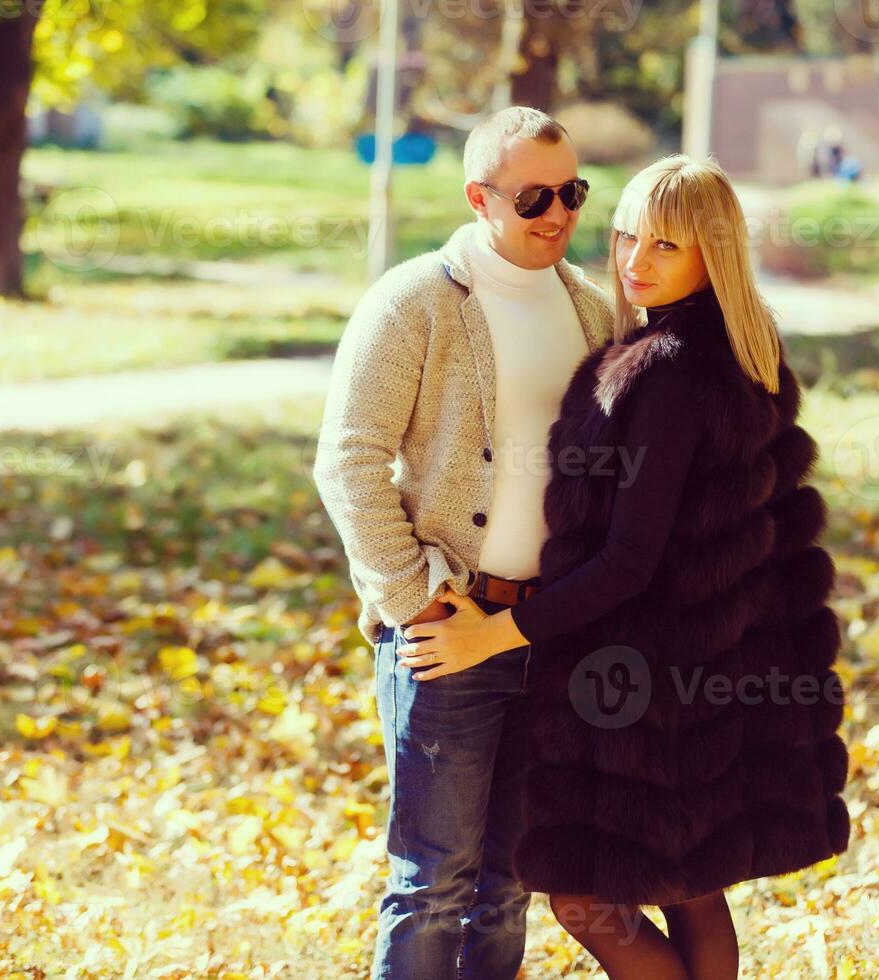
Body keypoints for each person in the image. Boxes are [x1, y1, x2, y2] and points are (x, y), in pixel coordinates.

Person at [398, 155, 851, 978]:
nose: (635, 261)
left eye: (664, 248)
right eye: (627, 236)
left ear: (711, 252)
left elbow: (628, 564)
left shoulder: (668, 374)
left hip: (642, 690)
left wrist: (492, 636)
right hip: (706, 674)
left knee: (585, 899)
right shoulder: (737, 351)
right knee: (691, 889)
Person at [312, 105, 615, 979]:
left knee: (510, 881)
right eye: (534, 199)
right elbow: (348, 462)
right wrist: (416, 599)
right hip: (447, 635)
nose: (558, 213)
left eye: (573, 192)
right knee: (432, 881)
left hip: (544, 636)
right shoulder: (413, 302)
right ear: (481, 197)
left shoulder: (592, 310)